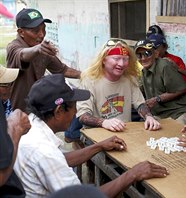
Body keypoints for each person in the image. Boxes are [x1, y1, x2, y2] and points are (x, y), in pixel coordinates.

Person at [14, 74, 168, 198]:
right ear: (58, 111)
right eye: (74, 107)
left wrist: (98, 146)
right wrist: (132, 174)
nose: (75, 113)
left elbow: (61, 159)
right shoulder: (44, 151)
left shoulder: (32, 126)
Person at [77, 39, 161, 132]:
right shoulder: (89, 81)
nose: (121, 64)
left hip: (124, 131)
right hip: (98, 134)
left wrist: (148, 117)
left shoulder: (129, 79)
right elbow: (83, 116)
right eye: (116, 59)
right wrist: (104, 122)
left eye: (125, 59)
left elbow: (140, 104)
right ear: (104, 60)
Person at [6, 8, 81, 112]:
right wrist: (38, 49)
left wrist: (88, 75)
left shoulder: (42, 49)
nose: (41, 34)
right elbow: (22, 55)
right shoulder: (14, 47)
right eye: (36, 31)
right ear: (21, 32)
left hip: (37, 110)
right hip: (19, 113)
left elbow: (63, 70)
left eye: (44, 29)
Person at [135, 39, 186, 125]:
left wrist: (157, 99)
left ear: (156, 54)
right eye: (139, 55)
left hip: (180, 111)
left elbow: (180, 90)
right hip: (161, 113)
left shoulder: (164, 66)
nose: (143, 58)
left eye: (147, 54)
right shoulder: (144, 71)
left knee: (176, 133)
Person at [0, 66, 31, 197]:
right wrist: (16, 129)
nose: (10, 88)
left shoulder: (4, 104)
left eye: (11, 84)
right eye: (6, 84)